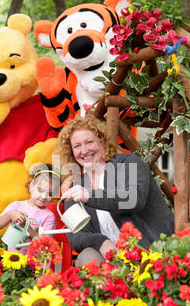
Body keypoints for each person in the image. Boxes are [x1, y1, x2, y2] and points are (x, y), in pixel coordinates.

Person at [53, 114, 174, 266]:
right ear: (71, 152)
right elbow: (75, 235)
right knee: (88, 257)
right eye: (77, 146)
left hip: (150, 250)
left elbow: (133, 199)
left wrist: (89, 195)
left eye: (89, 142)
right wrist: (101, 241)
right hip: (113, 259)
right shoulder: (77, 186)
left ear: (102, 143)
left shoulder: (127, 163)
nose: (84, 150)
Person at [0, 164, 60, 254]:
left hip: (34, 264)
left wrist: (26, 227)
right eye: (40, 190)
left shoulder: (49, 216)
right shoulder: (16, 206)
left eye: (50, 193)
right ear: (31, 186)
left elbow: (44, 245)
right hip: (13, 260)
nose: (44, 196)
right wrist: (10, 215)